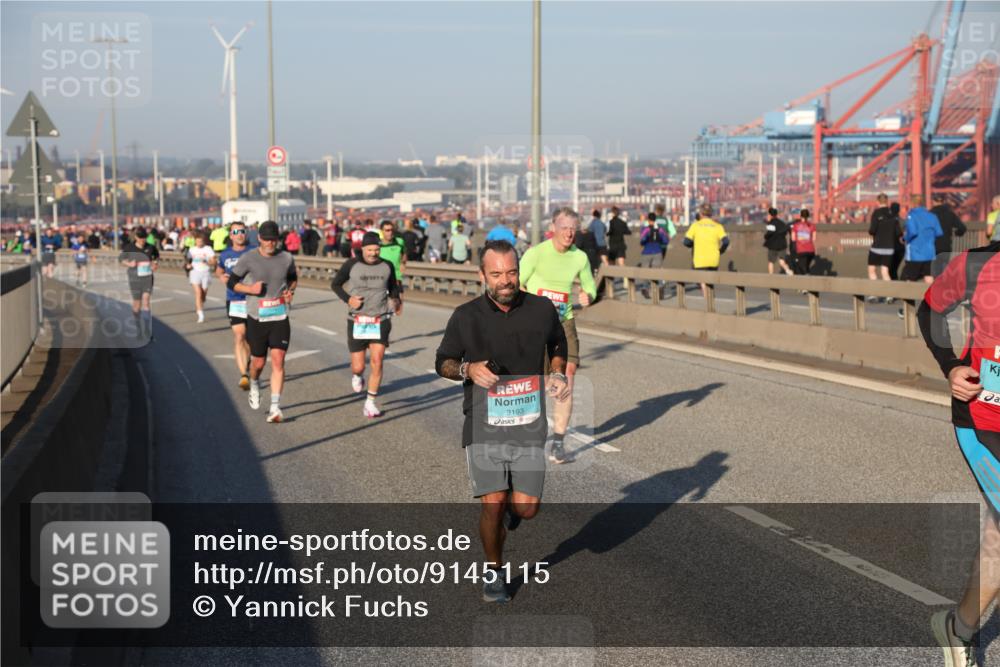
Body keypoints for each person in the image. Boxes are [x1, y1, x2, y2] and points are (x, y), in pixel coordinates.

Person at [435, 238, 569, 604]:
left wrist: (557, 373)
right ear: (482, 275)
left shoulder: (542, 310)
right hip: (483, 422)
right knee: (492, 502)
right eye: (496, 274)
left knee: (526, 508)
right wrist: (467, 368)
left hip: (527, 422)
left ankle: (514, 507)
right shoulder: (465, 316)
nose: (505, 280)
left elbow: (558, 343)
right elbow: (443, 361)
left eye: (511, 272)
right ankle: (494, 571)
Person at [919, 240, 999, 667]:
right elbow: (930, 308)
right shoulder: (976, 264)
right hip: (984, 419)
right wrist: (951, 365)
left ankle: (959, 629)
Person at [519, 207, 596, 464]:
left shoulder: (580, 258)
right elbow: (515, 282)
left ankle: (558, 443)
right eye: (564, 228)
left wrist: (589, 296)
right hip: (534, 324)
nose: (569, 233)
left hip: (565, 323)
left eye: (574, 228)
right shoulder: (536, 254)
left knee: (567, 375)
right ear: (553, 227)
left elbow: (590, 286)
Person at [227, 220, 298, 424]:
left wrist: (290, 290)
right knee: (257, 363)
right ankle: (255, 382)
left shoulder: (286, 258)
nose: (269, 243)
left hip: (280, 316)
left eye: (273, 239)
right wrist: (250, 290)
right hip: (256, 317)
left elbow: (293, 278)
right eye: (266, 239)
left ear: (278, 239)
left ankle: (275, 408)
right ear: (258, 238)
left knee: (278, 360)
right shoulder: (248, 258)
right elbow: (232, 283)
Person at [330, 231, 402, 418]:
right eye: (370, 250)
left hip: (381, 319)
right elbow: (335, 284)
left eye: (376, 249)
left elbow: (393, 286)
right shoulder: (351, 265)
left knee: (377, 361)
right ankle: (357, 375)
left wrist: (396, 301)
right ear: (362, 249)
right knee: (358, 366)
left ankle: (370, 403)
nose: (373, 253)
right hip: (357, 321)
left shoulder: (387, 266)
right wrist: (349, 299)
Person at [216, 221, 254, 390]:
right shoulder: (225, 254)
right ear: (231, 235)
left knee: (252, 339)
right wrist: (221, 276)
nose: (240, 234)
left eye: (242, 231)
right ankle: (244, 375)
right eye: (236, 231)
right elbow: (219, 268)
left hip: (253, 299)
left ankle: (251, 361)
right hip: (235, 299)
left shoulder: (254, 251)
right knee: (239, 336)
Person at [119, 227, 160, 341]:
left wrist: (155, 264)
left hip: (147, 277)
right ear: (136, 237)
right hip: (134, 279)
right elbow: (121, 259)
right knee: (137, 304)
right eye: (140, 238)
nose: (143, 240)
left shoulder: (150, 247)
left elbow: (156, 256)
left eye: (144, 237)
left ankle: (147, 331)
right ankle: (138, 329)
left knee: (146, 301)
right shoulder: (129, 247)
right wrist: (129, 263)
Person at [683, 203, 730, 298]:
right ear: (711, 213)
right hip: (714, 259)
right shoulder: (718, 226)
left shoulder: (695, 225)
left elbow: (686, 242)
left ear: (700, 213)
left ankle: (708, 301)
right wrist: (721, 251)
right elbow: (726, 241)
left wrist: (694, 244)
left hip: (700, 260)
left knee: (703, 282)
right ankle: (710, 299)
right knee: (710, 282)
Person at [901, 195, 944, 286]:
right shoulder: (932, 216)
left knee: (910, 278)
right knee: (928, 276)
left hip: (915, 253)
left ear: (912, 204)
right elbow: (939, 232)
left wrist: (904, 238)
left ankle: (909, 300)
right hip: (929, 252)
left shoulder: (912, 216)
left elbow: (912, 232)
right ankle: (931, 298)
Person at [868, 193, 899, 294]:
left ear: (878, 202)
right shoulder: (893, 214)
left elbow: (872, 230)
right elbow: (898, 232)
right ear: (887, 201)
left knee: (872, 269)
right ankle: (889, 294)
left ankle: (874, 294)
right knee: (885, 271)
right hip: (890, 247)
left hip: (877, 247)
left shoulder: (876, 213)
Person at [185, 232, 216, 323]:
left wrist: (208, 262)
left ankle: (202, 302)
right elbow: (187, 261)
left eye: (200, 241)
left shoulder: (208, 249)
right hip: (195, 272)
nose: (199, 243)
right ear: (195, 241)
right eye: (197, 241)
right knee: (198, 293)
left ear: (203, 242)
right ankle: (200, 314)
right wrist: (188, 265)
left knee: (203, 294)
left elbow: (214, 261)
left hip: (206, 272)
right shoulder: (192, 250)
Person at [638, 212, 669, 299]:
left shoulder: (645, 229)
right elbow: (666, 240)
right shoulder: (660, 229)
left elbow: (642, 240)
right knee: (657, 272)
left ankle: (645, 289)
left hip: (647, 252)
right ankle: (660, 288)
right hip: (658, 252)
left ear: (648, 220)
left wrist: (645, 242)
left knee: (645, 272)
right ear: (655, 219)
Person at [763, 207, 793, 276]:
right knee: (782, 261)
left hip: (773, 245)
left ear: (770, 215)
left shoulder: (771, 224)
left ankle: (771, 277)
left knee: (771, 262)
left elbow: (769, 233)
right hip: (782, 245)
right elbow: (785, 231)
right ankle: (789, 272)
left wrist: (766, 237)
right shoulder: (782, 223)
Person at [378, 219, 407, 286]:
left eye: (392, 230)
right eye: (387, 230)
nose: (390, 232)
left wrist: (403, 263)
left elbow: (404, 254)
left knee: (398, 296)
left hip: (396, 277)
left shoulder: (399, 242)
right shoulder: (377, 244)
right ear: (382, 231)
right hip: (381, 278)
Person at [790, 209, 817, 275]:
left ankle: (807, 280)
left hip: (801, 251)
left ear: (800, 216)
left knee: (802, 269)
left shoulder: (795, 226)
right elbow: (814, 239)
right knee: (806, 267)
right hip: (811, 251)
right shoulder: (812, 226)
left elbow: (793, 239)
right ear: (808, 216)